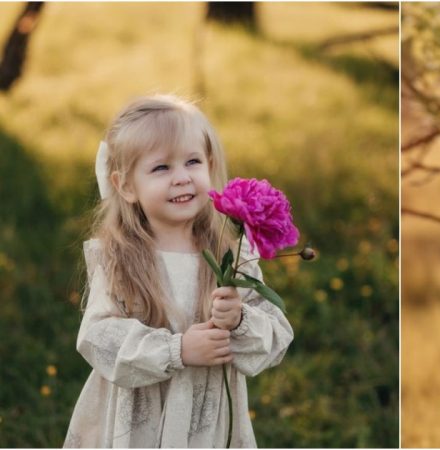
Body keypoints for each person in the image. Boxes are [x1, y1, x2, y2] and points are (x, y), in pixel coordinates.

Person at [64, 94, 294, 447]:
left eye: (192, 162)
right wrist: (178, 350)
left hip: (208, 425)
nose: (182, 178)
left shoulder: (231, 253)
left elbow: (277, 337)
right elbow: (98, 338)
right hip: (139, 421)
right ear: (126, 186)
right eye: (161, 168)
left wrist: (239, 320)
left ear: (209, 164)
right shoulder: (120, 257)